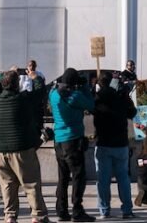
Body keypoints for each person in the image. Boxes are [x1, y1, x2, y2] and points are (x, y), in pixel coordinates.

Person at [0, 69, 49, 223]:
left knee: (7, 185)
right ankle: (38, 215)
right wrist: (35, 77)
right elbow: (40, 91)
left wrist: (4, 77)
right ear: (17, 84)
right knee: (31, 183)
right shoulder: (23, 99)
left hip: (1, 150)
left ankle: (10, 215)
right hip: (22, 149)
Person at [50, 67, 96, 222]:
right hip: (73, 140)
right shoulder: (75, 96)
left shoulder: (53, 94)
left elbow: (54, 89)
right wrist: (84, 87)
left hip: (58, 140)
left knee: (62, 177)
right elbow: (91, 105)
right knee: (78, 176)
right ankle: (77, 210)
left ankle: (61, 210)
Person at [93, 71, 137, 219]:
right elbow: (132, 112)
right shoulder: (120, 97)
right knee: (123, 178)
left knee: (103, 180)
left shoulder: (98, 99)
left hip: (103, 142)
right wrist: (125, 95)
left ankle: (104, 209)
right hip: (120, 143)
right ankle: (127, 209)